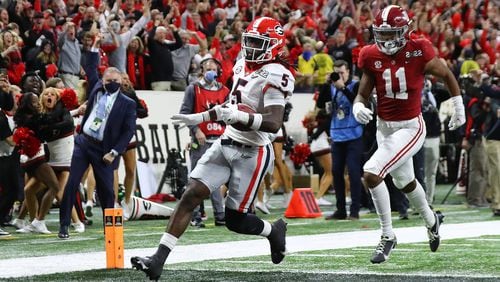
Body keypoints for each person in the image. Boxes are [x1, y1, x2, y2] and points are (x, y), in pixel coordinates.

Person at [131, 17, 294, 280]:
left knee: (235, 220)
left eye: (257, 42)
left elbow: (274, 123)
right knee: (191, 195)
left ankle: (273, 231)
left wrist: (237, 117)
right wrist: (202, 118)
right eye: (249, 41)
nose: (250, 46)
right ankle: (158, 259)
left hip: (252, 152)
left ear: (273, 45)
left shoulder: (279, 73)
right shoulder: (242, 62)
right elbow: (231, 105)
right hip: (226, 141)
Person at [353, 5, 465, 264]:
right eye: (382, 33)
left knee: (371, 172)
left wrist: (458, 107)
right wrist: (358, 105)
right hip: (385, 127)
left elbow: (446, 74)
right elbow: (363, 90)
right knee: (405, 182)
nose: (386, 39)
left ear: (404, 31)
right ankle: (431, 220)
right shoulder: (370, 54)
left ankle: (387, 235)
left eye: (392, 34)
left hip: (410, 126)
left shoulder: (419, 49)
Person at [58, 67, 136, 239]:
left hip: (104, 150)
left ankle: (109, 228)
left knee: (107, 191)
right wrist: (94, 46)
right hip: (84, 143)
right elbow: (91, 68)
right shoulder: (96, 91)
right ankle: (64, 225)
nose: (113, 84)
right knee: (72, 183)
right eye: (109, 81)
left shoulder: (128, 103)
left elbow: (129, 131)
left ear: (122, 82)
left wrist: (115, 152)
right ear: (103, 81)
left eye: (116, 81)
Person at [179, 58, 228, 226]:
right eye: (208, 68)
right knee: (196, 179)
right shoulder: (193, 89)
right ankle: (193, 215)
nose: (211, 71)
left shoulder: (225, 91)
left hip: (220, 139)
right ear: (201, 70)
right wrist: (195, 130)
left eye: (214, 68)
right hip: (200, 140)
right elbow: (185, 113)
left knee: (217, 178)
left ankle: (220, 215)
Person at [324, 60, 363, 220]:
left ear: (348, 71)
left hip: (354, 135)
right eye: (336, 73)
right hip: (337, 136)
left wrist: (343, 88)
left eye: (342, 72)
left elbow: (358, 102)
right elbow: (321, 104)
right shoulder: (331, 87)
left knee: (354, 173)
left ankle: (355, 210)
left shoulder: (355, 85)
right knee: (336, 172)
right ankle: (340, 209)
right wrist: (326, 85)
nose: (339, 76)